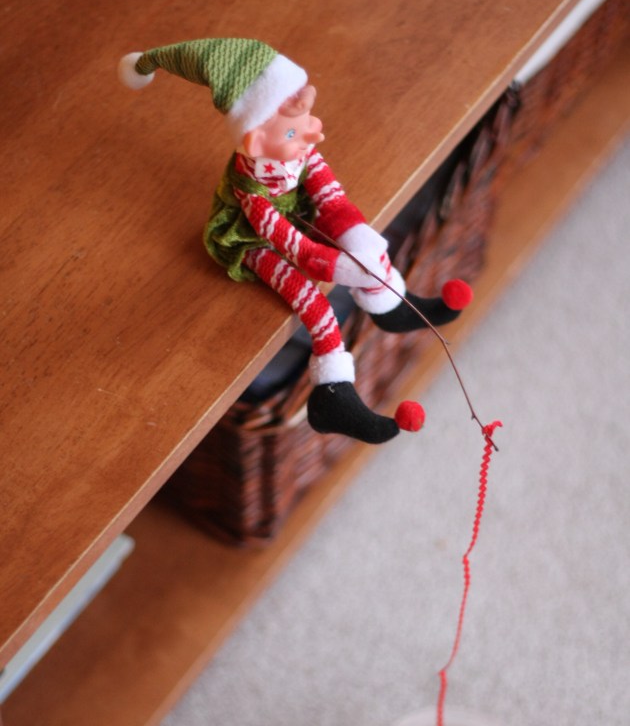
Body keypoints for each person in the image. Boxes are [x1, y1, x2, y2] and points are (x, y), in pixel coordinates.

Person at [119, 38, 473, 444]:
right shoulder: (252, 192)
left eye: (308, 119)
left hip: (293, 216)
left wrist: (361, 245)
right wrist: (339, 267)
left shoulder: (300, 154)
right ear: (255, 142)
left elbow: (332, 199)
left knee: (366, 246)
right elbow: (288, 244)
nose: (311, 134)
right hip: (251, 241)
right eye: (293, 130)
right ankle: (332, 395)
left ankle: (390, 304)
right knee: (313, 302)